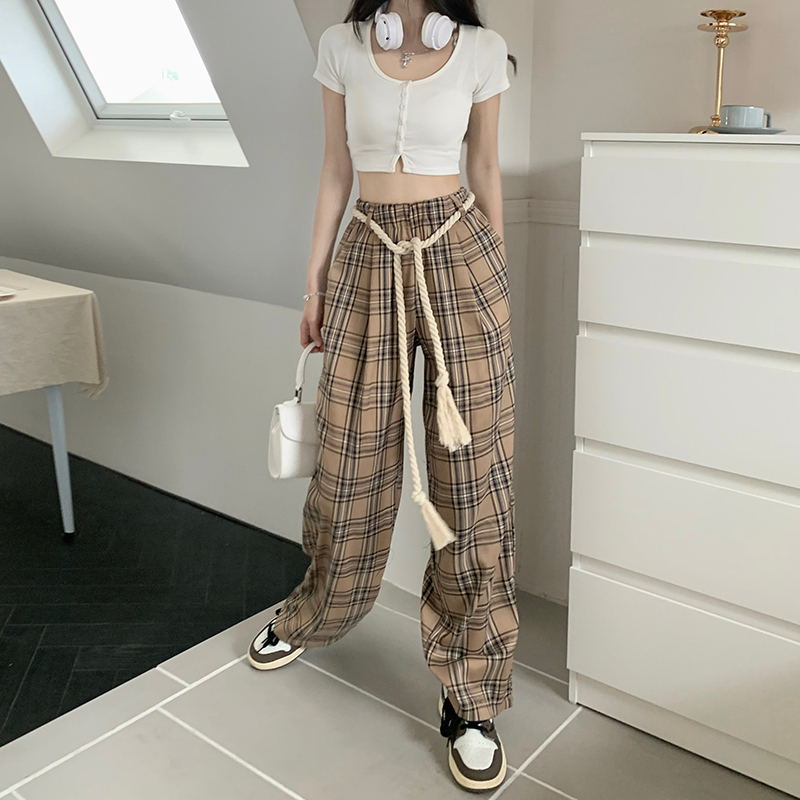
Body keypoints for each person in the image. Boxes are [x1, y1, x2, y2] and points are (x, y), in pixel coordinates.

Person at [248, 0, 516, 791]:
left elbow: (486, 168)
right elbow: (336, 168)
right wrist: (313, 281)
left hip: (461, 254)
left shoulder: (482, 50)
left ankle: (473, 695)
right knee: (349, 458)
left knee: (474, 480)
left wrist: (498, 286)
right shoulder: (341, 46)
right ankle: (315, 609)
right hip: (366, 250)